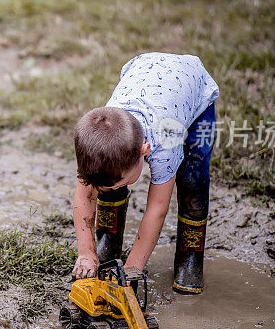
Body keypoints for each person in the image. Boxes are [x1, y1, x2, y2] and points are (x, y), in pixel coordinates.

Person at [71, 52, 219, 294]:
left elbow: (156, 210)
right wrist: (86, 253)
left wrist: (131, 270)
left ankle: (190, 254)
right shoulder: (101, 137)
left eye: (120, 183)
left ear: (144, 151)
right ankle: (108, 239)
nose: (110, 189)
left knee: (193, 179)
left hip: (194, 98)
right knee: (108, 178)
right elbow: (84, 196)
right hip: (145, 72)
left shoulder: (164, 144)